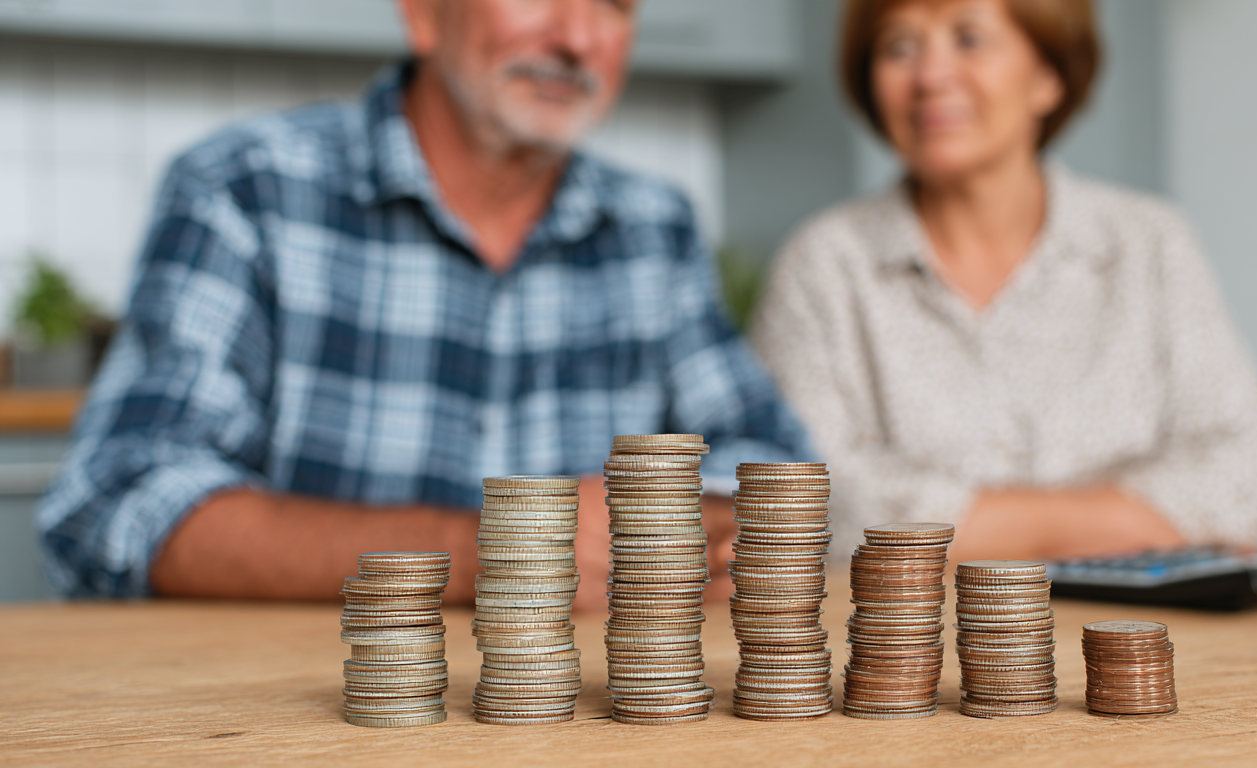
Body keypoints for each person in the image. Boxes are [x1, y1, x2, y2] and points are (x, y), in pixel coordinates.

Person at [35, 0, 812, 610]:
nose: (577, 36)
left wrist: (677, 525)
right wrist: (498, 551)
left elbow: (772, 459)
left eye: (613, 1)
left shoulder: (654, 227)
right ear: (422, 12)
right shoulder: (245, 190)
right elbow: (118, 504)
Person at [750, 0, 1257, 564]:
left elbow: (1243, 483)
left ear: (1048, 78)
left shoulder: (1152, 244)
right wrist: (1124, 522)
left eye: (970, 38)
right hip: (922, 649)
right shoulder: (823, 265)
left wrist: (957, 527)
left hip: (1151, 640)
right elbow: (800, 513)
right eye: (899, 47)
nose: (930, 76)